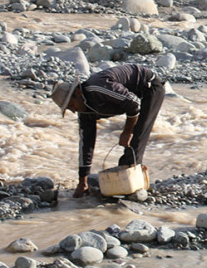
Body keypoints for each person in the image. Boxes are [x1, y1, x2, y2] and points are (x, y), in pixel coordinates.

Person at [50, 64, 165, 197]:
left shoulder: (98, 88)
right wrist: (83, 181)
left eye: (71, 105)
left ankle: (132, 188)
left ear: (78, 93)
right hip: (130, 99)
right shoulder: (84, 112)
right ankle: (125, 184)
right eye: (69, 109)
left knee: (136, 140)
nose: (74, 110)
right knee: (128, 143)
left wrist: (127, 132)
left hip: (149, 87)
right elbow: (86, 143)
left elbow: (133, 104)